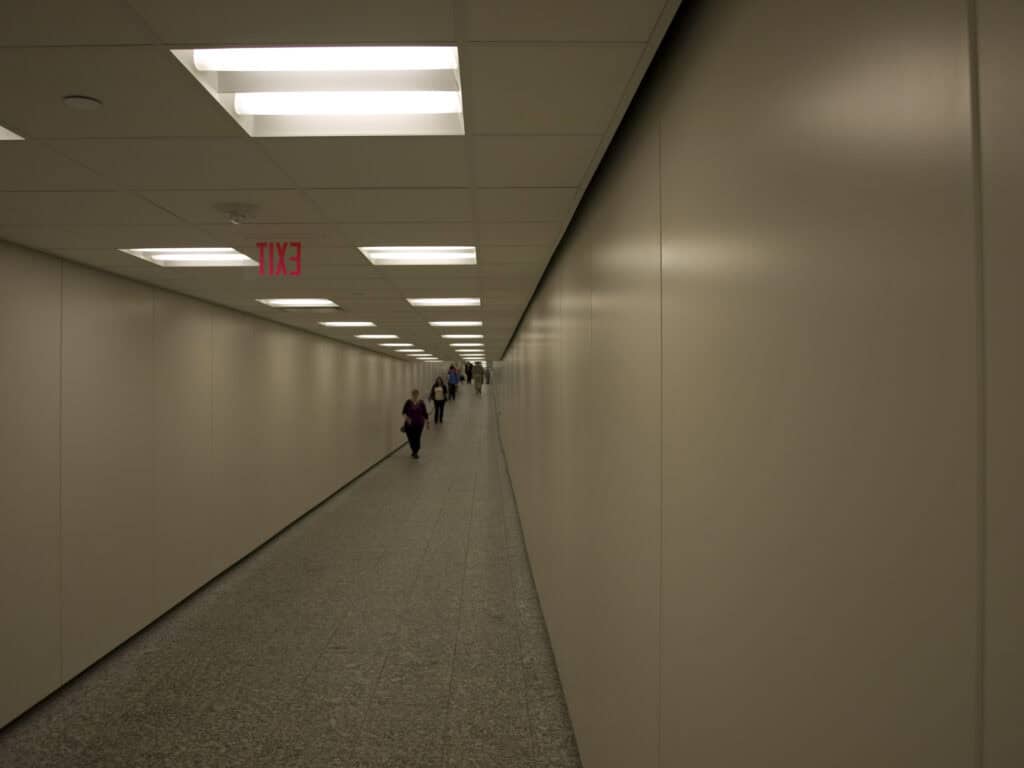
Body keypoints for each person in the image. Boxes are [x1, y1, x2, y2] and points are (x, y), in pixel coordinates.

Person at [401, 389, 429, 459]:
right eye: (413, 394)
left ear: (418, 394)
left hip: (419, 424)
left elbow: (425, 413)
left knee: (417, 437)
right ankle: (413, 450)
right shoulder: (408, 402)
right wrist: (407, 419)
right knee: (411, 438)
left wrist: (427, 422)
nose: (415, 395)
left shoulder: (421, 403)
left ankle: (415, 451)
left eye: (416, 394)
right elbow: (403, 412)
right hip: (409, 424)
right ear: (412, 394)